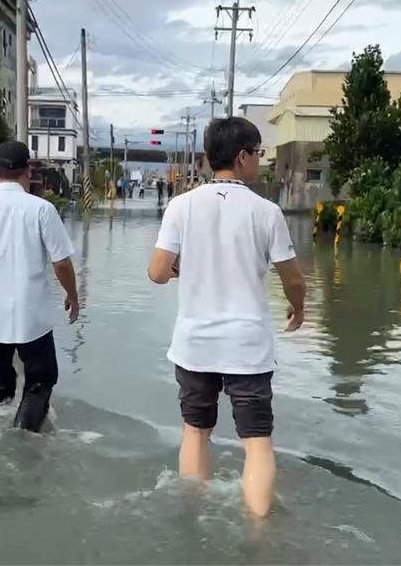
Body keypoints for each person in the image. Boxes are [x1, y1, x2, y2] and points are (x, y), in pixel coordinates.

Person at [147, 117, 306, 517]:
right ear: (243, 156)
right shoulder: (267, 212)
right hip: (247, 348)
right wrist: (299, 306)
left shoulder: (181, 206)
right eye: (259, 153)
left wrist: (186, 268)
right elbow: (292, 278)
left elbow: (157, 272)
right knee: (257, 443)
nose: (259, 160)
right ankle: (258, 530)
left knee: (195, 432)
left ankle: (193, 515)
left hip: (195, 345)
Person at [0, 141, 80, 432]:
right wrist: (72, 296)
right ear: (28, 171)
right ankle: (25, 435)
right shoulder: (42, 210)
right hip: (33, 320)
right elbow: (61, 263)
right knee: (39, 384)